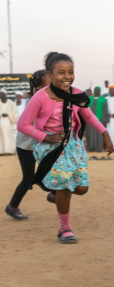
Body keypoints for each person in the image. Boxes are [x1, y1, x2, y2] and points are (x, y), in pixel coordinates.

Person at [17, 52, 114, 243]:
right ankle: (65, 229)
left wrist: (105, 133)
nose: (67, 76)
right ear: (50, 74)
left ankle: (57, 193)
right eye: (61, 72)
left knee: (81, 188)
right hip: (49, 146)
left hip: (73, 144)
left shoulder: (77, 94)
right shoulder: (40, 97)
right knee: (65, 185)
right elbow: (23, 124)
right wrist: (46, 137)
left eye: (71, 72)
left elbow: (88, 116)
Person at [5, 70, 51, 220]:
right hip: (27, 145)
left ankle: (54, 193)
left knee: (52, 169)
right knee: (28, 178)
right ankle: (12, 207)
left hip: (39, 143)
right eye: (49, 77)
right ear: (42, 82)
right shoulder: (37, 98)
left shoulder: (48, 95)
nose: (53, 79)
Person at [85, 87, 109, 152]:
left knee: (99, 135)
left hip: (99, 120)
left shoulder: (103, 99)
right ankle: (91, 147)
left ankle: (99, 147)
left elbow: (105, 110)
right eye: (95, 90)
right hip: (90, 120)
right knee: (90, 134)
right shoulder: (90, 98)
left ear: (100, 91)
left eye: (97, 90)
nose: (96, 91)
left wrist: (105, 120)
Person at [0, 89, 17, 155]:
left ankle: (9, 151)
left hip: (9, 121)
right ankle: (1, 151)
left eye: (1, 93)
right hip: (0, 121)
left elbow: (15, 112)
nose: (0, 94)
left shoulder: (10, 102)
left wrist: (8, 114)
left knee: (9, 135)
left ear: (5, 94)